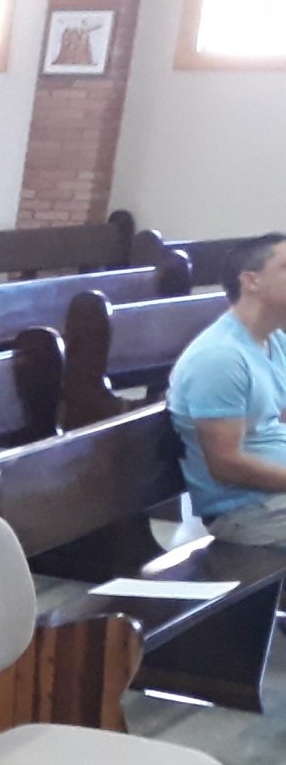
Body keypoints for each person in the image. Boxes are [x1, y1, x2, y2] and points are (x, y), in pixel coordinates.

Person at [167, 232, 286, 545]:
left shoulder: (276, 340)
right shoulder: (220, 357)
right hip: (248, 512)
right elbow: (226, 465)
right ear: (251, 281)